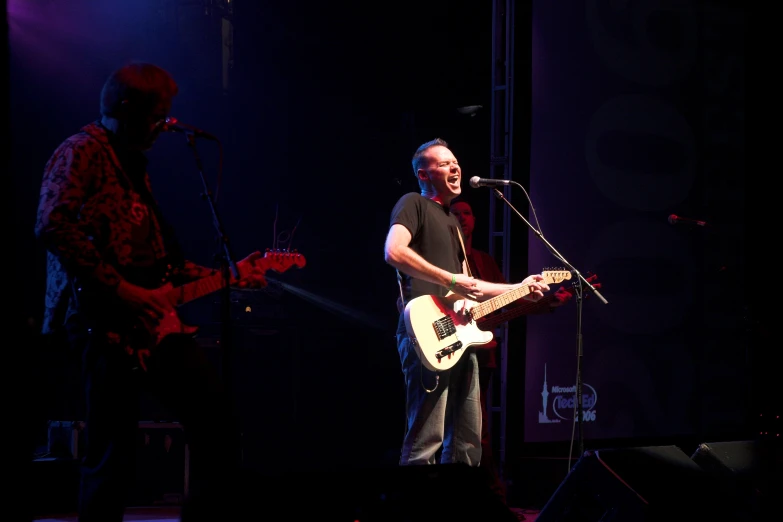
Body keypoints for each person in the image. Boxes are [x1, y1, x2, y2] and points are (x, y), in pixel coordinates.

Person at [34, 62, 267, 522]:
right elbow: (52, 224)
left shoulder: (133, 165)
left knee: (215, 421)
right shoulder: (80, 151)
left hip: (153, 324)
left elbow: (163, 264)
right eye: (158, 115)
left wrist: (231, 272)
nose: (165, 125)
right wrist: (120, 289)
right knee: (110, 453)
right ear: (126, 107)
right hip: (100, 319)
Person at [383, 138, 550, 468]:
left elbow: (469, 287)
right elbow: (393, 251)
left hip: (458, 335)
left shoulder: (453, 225)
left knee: (467, 440)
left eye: (455, 161)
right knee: (425, 439)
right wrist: (450, 279)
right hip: (424, 331)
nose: (455, 167)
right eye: (444, 164)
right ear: (423, 173)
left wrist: (519, 287)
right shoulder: (412, 202)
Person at [450, 198, 573, 505]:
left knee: (477, 429)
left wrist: (550, 301)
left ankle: (485, 499)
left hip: (479, 353)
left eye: (467, 212)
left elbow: (511, 301)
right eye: (455, 213)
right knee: (449, 428)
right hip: (444, 348)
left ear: (475, 220)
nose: (462, 217)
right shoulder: (442, 258)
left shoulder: (484, 261)